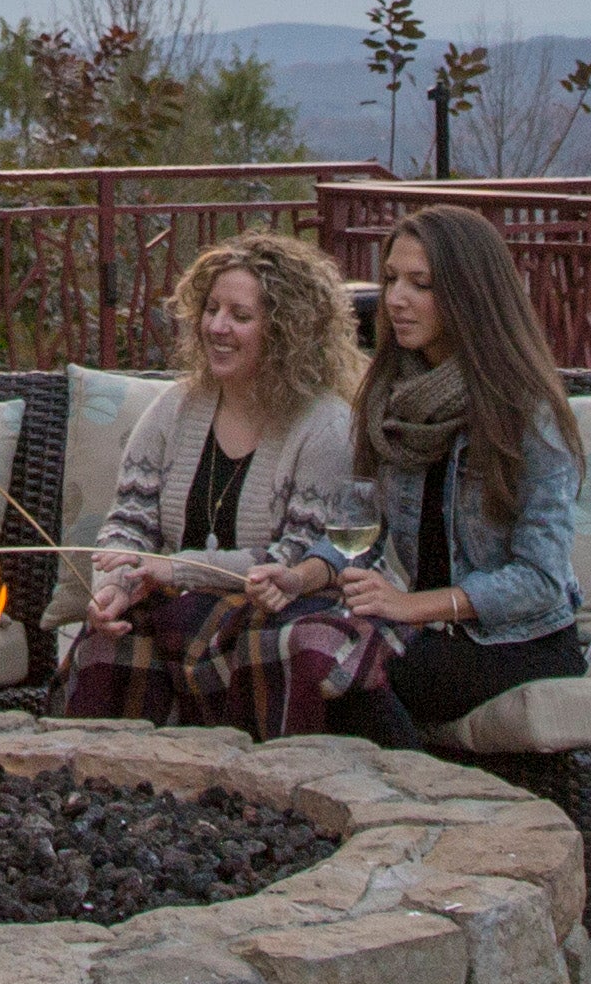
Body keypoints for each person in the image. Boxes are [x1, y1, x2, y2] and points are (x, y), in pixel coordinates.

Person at [56, 230, 384, 734]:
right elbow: (128, 525)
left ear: (286, 332)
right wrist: (115, 587)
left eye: (240, 316)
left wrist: (174, 569)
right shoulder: (174, 407)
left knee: (273, 645)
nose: (218, 327)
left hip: (275, 605)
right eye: (211, 310)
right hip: (177, 603)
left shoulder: (324, 425)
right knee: (113, 638)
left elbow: (294, 559)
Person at [331, 206, 591, 748]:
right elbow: (361, 532)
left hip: (520, 643)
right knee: (294, 643)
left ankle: (429, 805)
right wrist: (304, 575)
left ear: (469, 295)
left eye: (419, 284)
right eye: (391, 279)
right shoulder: (393, 399)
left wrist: (409, 606)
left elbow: (541, 581)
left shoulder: (526, 413)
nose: (395, 298)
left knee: (348, 671)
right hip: (432, 636)